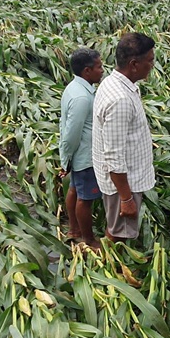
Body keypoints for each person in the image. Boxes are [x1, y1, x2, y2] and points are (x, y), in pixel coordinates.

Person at [92, 32, 156, 242]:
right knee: (119, 234)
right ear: (134, 64)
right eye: (150, 60)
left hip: (126, 180)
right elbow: (114, 157)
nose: (152, 65)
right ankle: (111, 269)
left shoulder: (114, 83)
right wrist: (126, 198)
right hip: (124, 184)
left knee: (118, 228)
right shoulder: (119, 100)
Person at [58, 47, 105, 251]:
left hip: (78, 155)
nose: (102, 70)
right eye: (99, 66)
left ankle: (74, 229)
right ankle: (88, 239)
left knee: (75, 190)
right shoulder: (82, 98)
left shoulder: (74, 88)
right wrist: (66, 159)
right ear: (87, 71)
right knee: (85, 199)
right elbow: (72, 134)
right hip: (85, 156)